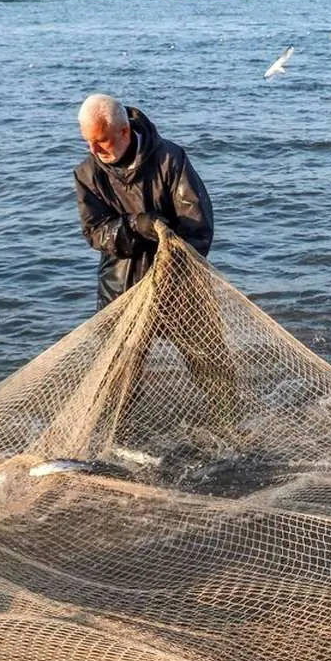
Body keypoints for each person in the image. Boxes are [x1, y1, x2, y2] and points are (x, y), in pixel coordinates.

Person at [73, 94, 236, 424]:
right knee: (117, 379)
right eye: (88, 142)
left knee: (213, 367)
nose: (94, 151)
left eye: (100, 141)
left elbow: (198, 226)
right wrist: (138, 225)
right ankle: (115, 441)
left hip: (182, 287)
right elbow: (96, 233)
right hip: (122, 290)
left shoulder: (170, 159)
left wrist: (170, 268)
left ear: (123, 131)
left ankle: (230, 429)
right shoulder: (88, 173)